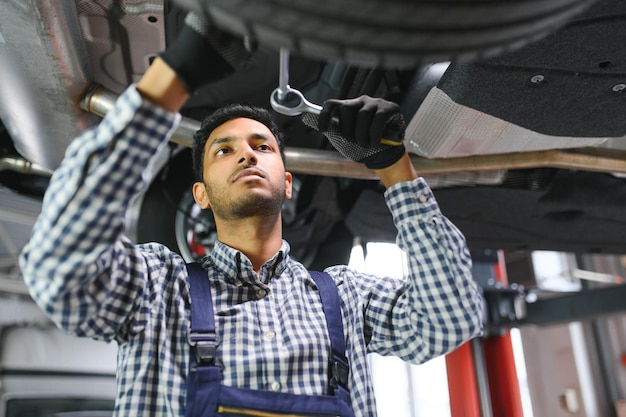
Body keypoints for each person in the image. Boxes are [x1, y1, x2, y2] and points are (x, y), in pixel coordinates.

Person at [19, 12, 483, 417]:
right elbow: (61, 267)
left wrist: (394, 168)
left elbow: (449, 319)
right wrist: (171, 78)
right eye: (224, 149)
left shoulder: (345, 298)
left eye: (263, 146)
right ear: (199, 193)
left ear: (287, 182)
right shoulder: (156, 291)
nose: (247, 155)